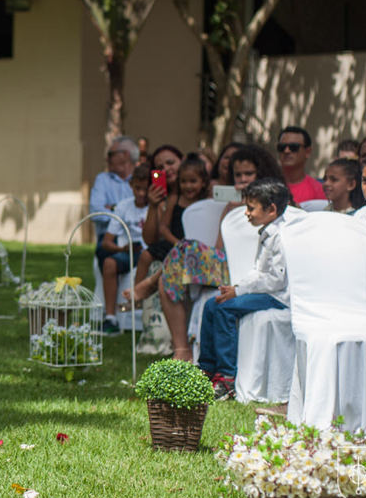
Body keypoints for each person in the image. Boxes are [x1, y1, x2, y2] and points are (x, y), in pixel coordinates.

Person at [154, 145, 283, 361]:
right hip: (229, 267)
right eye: (238, 175)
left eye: (249, 174)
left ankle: (150, 284)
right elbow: (220, 248)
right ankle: (182, 350)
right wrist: (233, 212)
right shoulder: (232, 206)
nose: (243, 179)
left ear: (262, 174)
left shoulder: (276, 204)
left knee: (178, 257)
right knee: (175, 265)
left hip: (257, 271)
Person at [198, 178, 292, 400]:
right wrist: (236, 287)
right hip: (265, 291)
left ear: (271, 210)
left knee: (225, 308)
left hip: (278, 296)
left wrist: (239, 292)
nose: (246, 213)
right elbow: (258, 270)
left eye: (251, 208)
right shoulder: (267, 232)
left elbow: (277, 281)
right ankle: (207, 369)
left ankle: (226, 377)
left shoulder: (282, 236)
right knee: (212, 304)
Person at [124, 156, 211, 307]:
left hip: (196, 245)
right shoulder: (174, 199)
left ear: (203, 182)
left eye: (193, 181)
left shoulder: (206, 202)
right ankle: (137, 295)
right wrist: (176, 242)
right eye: (183, 181)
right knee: (146, 255)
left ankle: (145, 287)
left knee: (181, 252)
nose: (188, 186)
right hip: (174, 241)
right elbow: (163, 227)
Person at [95, 165, 149, 329]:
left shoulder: (158, 207)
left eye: (145, 189)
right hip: (130, 252)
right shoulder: (123, 206)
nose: (141, 193)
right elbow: (107, 241)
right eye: (138, 188)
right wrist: (123, 249)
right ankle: (111, 317)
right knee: (109, 263)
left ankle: (136, 305)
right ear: (131, 185)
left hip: (150, 252)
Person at [89, 136, 139, 238]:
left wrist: (112, 208)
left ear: (125, 154)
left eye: (110, 154)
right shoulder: (103, 179)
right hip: (110, 239)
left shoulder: (141, 180)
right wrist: (131, 217)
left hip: (138, 238)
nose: (107, 159)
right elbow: (95, 213)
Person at [277, 126, 325, 204]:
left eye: (293, 147)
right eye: (282, 147)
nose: (286, 151)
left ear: (307, 151)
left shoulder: (318, 190)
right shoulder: (266, 186)